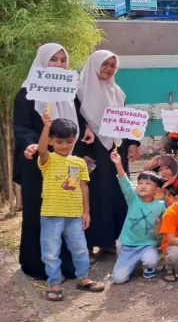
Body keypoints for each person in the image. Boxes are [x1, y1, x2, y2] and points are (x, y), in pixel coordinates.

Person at [14, 43, 93, 279]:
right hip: (38, 163)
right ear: (42, 61)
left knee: (67, 210)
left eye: (62, 60)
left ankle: (67, 264)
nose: (58, 64)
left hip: (67, 164)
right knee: (39, 212)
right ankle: (37, 264)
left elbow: (75, 122)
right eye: (53, 59)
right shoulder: (27, 93)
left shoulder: (69, 92)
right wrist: (31, 143)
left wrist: (86, 129)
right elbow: (21, 126)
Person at [36, 113, 104, 301]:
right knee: (51, 252)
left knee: (80, 248)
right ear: (51, 141)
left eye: (68, 141)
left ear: (74, 140)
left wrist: (86, 212)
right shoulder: (48, 160)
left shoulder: (78, 162)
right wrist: (46, 126)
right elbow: (41, 149)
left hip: (74, 215)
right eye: (59, 142)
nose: (64, 146)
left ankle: (83, 278)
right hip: (51, 214)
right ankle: (54, 283)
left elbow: (83, 187)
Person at [77, 50, 138, 254]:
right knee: (94, 194)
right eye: (105, 64)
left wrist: (133, 143)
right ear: (95, 64)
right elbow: (73, 121)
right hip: (90, 150)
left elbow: (124, 120)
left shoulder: (117, 92)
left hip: (115, 149)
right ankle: (89, 242)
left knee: (117, 192)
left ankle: (112, 240)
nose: (109, 69)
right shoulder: (78, 91)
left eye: (113, 65)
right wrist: (80, 147)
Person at [109, 152, 165, 284]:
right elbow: (125, 183)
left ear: (157, 190)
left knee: (151, 260)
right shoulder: (133, 199)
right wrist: (118, 163)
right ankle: (129, 261)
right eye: (140, 183)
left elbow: (165, 225)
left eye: (148, 183)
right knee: (118, 279)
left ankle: (148, 267)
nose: (142, 186)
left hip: (147, 244)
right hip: (128, 245)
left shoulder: (161, 206)